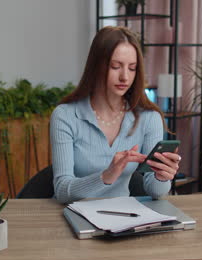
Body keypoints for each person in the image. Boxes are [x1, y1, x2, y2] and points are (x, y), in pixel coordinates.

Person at [50, 26, 181, 204]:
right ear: (96, 66)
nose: (125, 77)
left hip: (122, 220)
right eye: (115, 66)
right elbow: (62, 191)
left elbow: (155, 192)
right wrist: (105, 176)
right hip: (73, 215)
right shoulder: (65, 116)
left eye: (132, 68)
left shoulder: (149, 118)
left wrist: (163, 176)